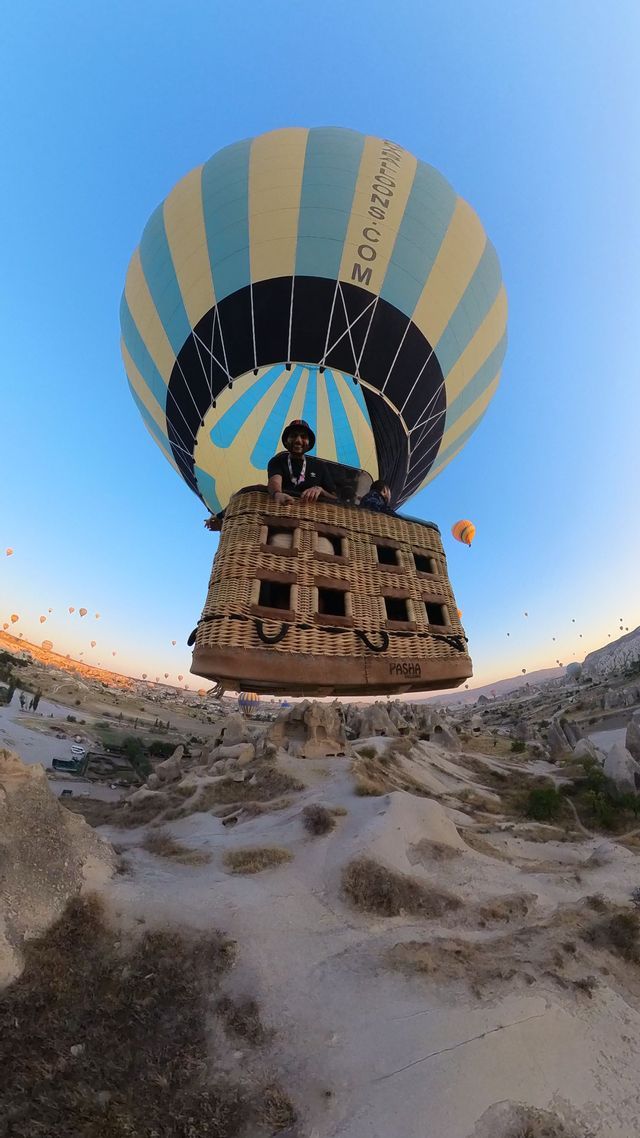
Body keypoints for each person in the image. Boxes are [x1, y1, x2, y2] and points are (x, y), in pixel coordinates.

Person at [267, 420, 337, 505]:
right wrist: (277, 494)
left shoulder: (319, 466)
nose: (298, 440)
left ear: (309, 444)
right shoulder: (278, 461)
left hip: (312, 512)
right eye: (293, 436)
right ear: (286, 441)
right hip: (282, 508)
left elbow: (335, 498)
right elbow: (274, 481)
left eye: (303, 437)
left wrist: (321, 490)